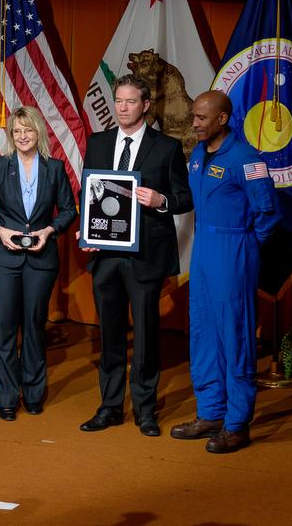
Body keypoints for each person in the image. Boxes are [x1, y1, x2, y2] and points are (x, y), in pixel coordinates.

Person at [79, 73, 192, 437]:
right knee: (109, 335)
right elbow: (89, 196)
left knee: (144, 336)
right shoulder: (97, 143)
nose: (123, 108)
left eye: (130, 101)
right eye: (118, 101)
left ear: (145, 105)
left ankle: (145, 410)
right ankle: (109, 407)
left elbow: (184, 198)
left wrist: (161, 202)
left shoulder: (167, 147)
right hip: (106, 256)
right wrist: (86, 230)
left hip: (146, 256)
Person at [170, 91, 280, 454]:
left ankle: (236, 423)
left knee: (234, 335)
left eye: (202, 118)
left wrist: (244, 247)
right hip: (203, 250)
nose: (195, 123)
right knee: (202, 331)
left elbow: (268, 214)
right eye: (194, 117)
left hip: (233, 250)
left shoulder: (247, 159)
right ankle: (210, 413)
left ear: (222, 119)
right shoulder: (199, 154)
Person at [0, 105, 77, 420]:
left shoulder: (55, 168)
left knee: (34, 327)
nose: (21, 137)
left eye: (27, 131)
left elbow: (69, 210)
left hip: (41, 260)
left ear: (38, 133)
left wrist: (51, 229)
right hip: (3, 260)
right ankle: (6, 397)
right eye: (16, 132)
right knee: (4, 329)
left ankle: (32, 392)